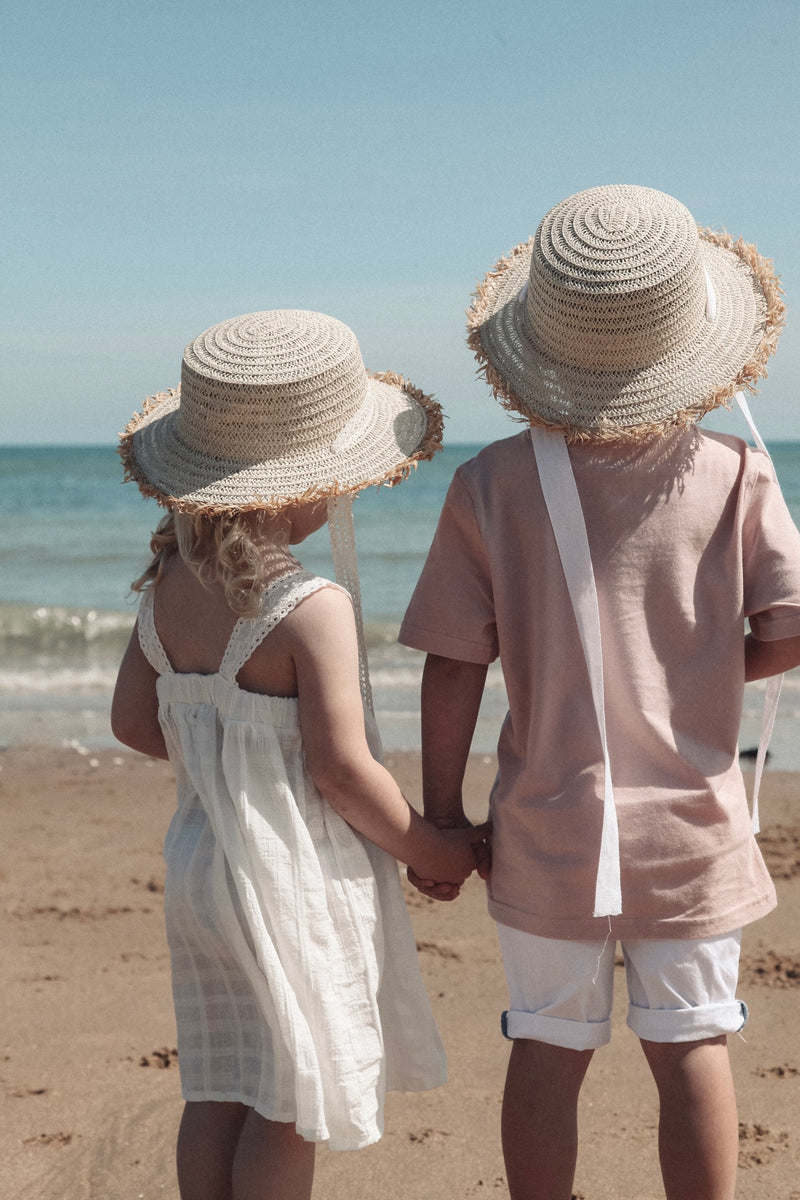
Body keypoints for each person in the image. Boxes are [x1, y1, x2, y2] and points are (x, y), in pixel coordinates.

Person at [398, 185, 800, 1200]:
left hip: (546, 823)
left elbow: (452, 664)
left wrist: (441, 817)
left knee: (546, 1048)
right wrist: (703, 676)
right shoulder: (735, 474)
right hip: (691, 829)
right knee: (693, 1049)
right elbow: (789, 630)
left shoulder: (489, 484)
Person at [111, 308, 487, 1200]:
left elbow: (134, 722)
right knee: (290, 1100)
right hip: (289, 879)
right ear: (296, 487)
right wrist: (434, 850)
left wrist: (225, 759)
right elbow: (341, 772)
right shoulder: (306, 602)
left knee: (220, 1084)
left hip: (202, 868)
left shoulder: (168, 584)